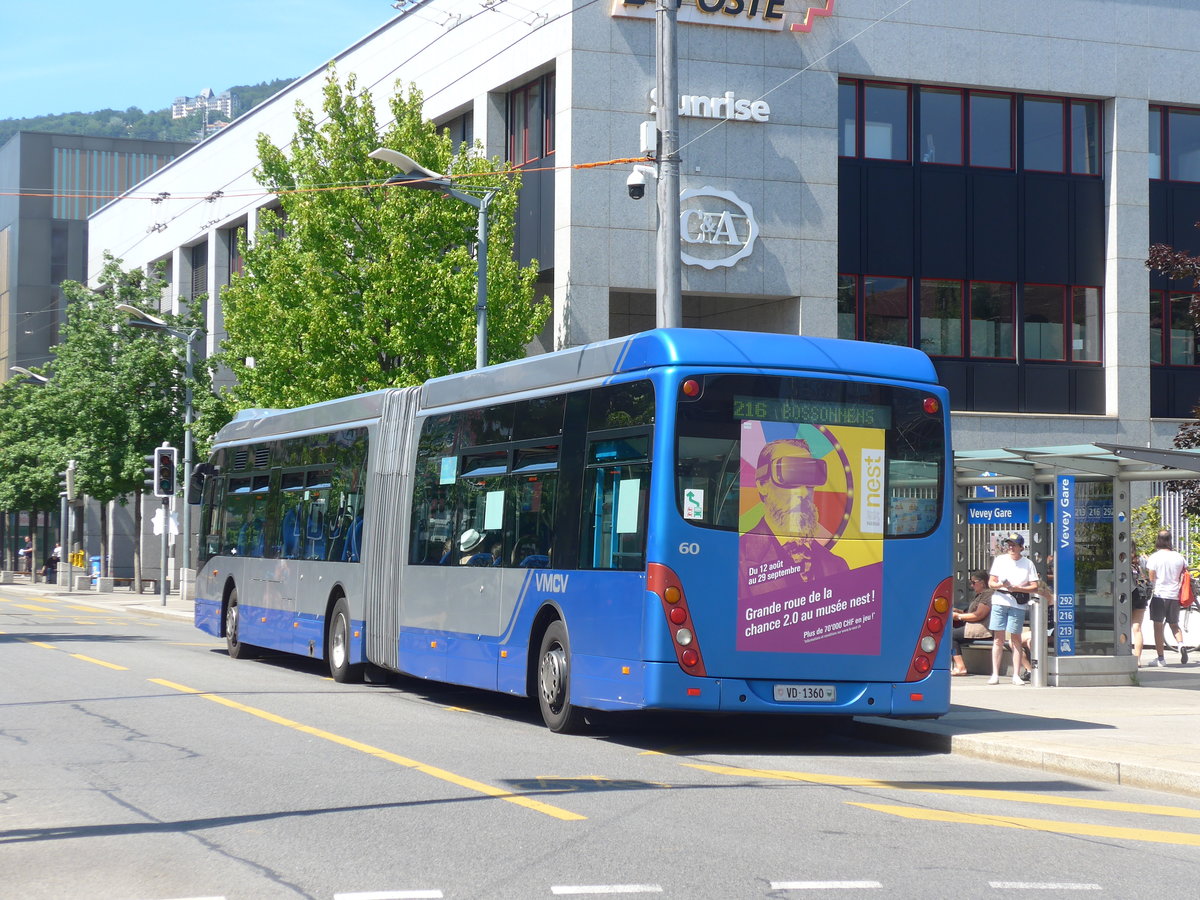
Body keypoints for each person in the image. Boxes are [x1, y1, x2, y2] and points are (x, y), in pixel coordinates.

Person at [742, 437, 849, 591]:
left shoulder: (837, 565)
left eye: (810, 478)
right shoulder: (739, 559)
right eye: (790, 476)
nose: (804, 492)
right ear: (762, 485)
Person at [987, 532, 1037, 685]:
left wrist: (1019, 589)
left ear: (1021, 547)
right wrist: (1003, 585)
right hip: (1000, 600)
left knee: (1015, 638)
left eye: (1014, 544)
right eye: (1009, 544)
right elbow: (991, 583)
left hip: (1017, 603)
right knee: (998, 638)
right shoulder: (1000, 560)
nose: (1010, 547)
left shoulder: (1028, 563)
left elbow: (1034, 585)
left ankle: (1016, 674)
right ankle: (995, 674)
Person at [1144, 530, 1189, 667]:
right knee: (1174, 625)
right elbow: (1185, 571)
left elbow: (1152, 578)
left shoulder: (1154, 557)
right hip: (1174, 596)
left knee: (1158, 627)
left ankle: (1161, 659)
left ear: (1158, 540)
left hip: (1159, 595)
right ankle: (1181, 645)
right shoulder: (1179, 557)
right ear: (1170, 540)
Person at [951, 571, 992, 675]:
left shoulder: (988, 595)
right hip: (974, 625)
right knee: (949, 631)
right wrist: (960, 612)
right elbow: (972, 613)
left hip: (982, 629)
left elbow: (978, 615)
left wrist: (958, 616)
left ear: (982, 583)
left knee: (950, 636)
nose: (972, 585)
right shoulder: (980, 595)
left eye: (973, 582)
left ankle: (960, 667)